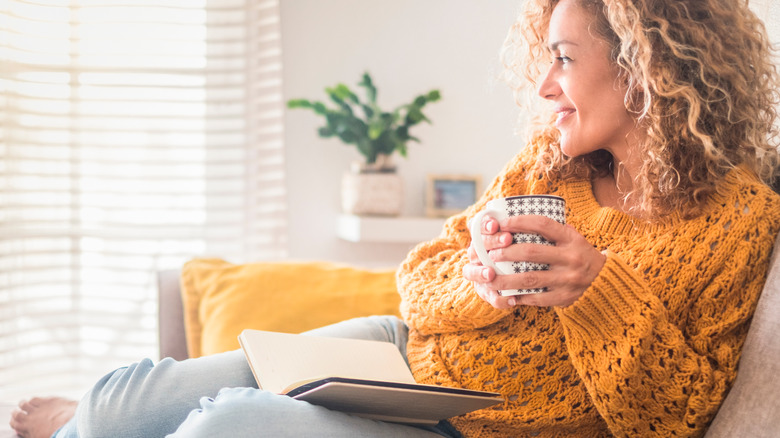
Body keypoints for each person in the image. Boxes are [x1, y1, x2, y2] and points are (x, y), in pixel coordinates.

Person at [11, 0, 780, 436]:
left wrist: (595, 291)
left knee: (227, 427)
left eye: (565, 58)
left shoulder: (739, 220)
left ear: (648, 65)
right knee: (123, 399)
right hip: (397, 355)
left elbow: (678, 419)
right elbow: (417, 285)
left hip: (462, 429)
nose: (544, 84)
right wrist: (481, 280)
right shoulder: (552, 164)